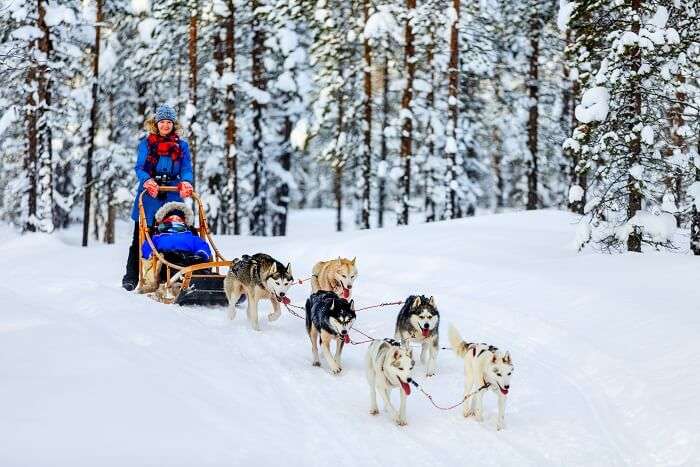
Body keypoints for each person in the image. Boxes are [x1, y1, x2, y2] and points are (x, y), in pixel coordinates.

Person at [122, 104, 194, 291]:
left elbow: (186, 168)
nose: (165, 125)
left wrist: (186, 182)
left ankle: (176, 273)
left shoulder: (182, 146)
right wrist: (147, 181)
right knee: (141, 236)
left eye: (168, 122)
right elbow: (140, 168)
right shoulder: (147, 144)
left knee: (175, 233)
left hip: (172, 193)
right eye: (162, 122)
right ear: (156, 123)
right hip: (149, 196)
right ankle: (132, 276)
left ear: (173, 124)